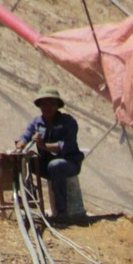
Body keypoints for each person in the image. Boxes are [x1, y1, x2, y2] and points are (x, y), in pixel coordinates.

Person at [15, 87, 84, 218]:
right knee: (22, 162)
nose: (47, 107)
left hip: (68, 163)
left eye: (51, 104)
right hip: (45, 165)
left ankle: (61, 212)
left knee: (56, 165)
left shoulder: (68, 122)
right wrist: (21, 145)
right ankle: (28, 197)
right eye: (44, 104)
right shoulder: (36, 122)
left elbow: (66, 145)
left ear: (57, 105)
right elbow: (24, 137)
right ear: (39, 106)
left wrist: (44, 146)